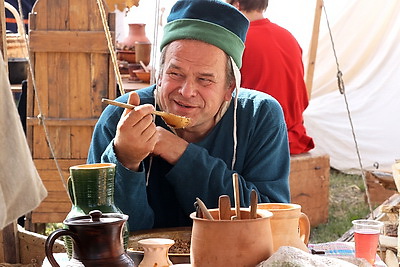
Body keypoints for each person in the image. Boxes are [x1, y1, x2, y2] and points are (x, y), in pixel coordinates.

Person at [87, 0, 290, 232]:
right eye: (175, 73)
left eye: (204, 79)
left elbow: (272, 221)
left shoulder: (258, 116)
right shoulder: (122, 117)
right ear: (159, 75)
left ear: (229, 89)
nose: (186, 91)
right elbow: (97, 229)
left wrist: (179, 152)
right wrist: (125, 161)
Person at [227, 0, 315, 155]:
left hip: (256, 138)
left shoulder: (236, 40)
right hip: (291, 135)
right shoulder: (289, 37)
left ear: (236, 5)